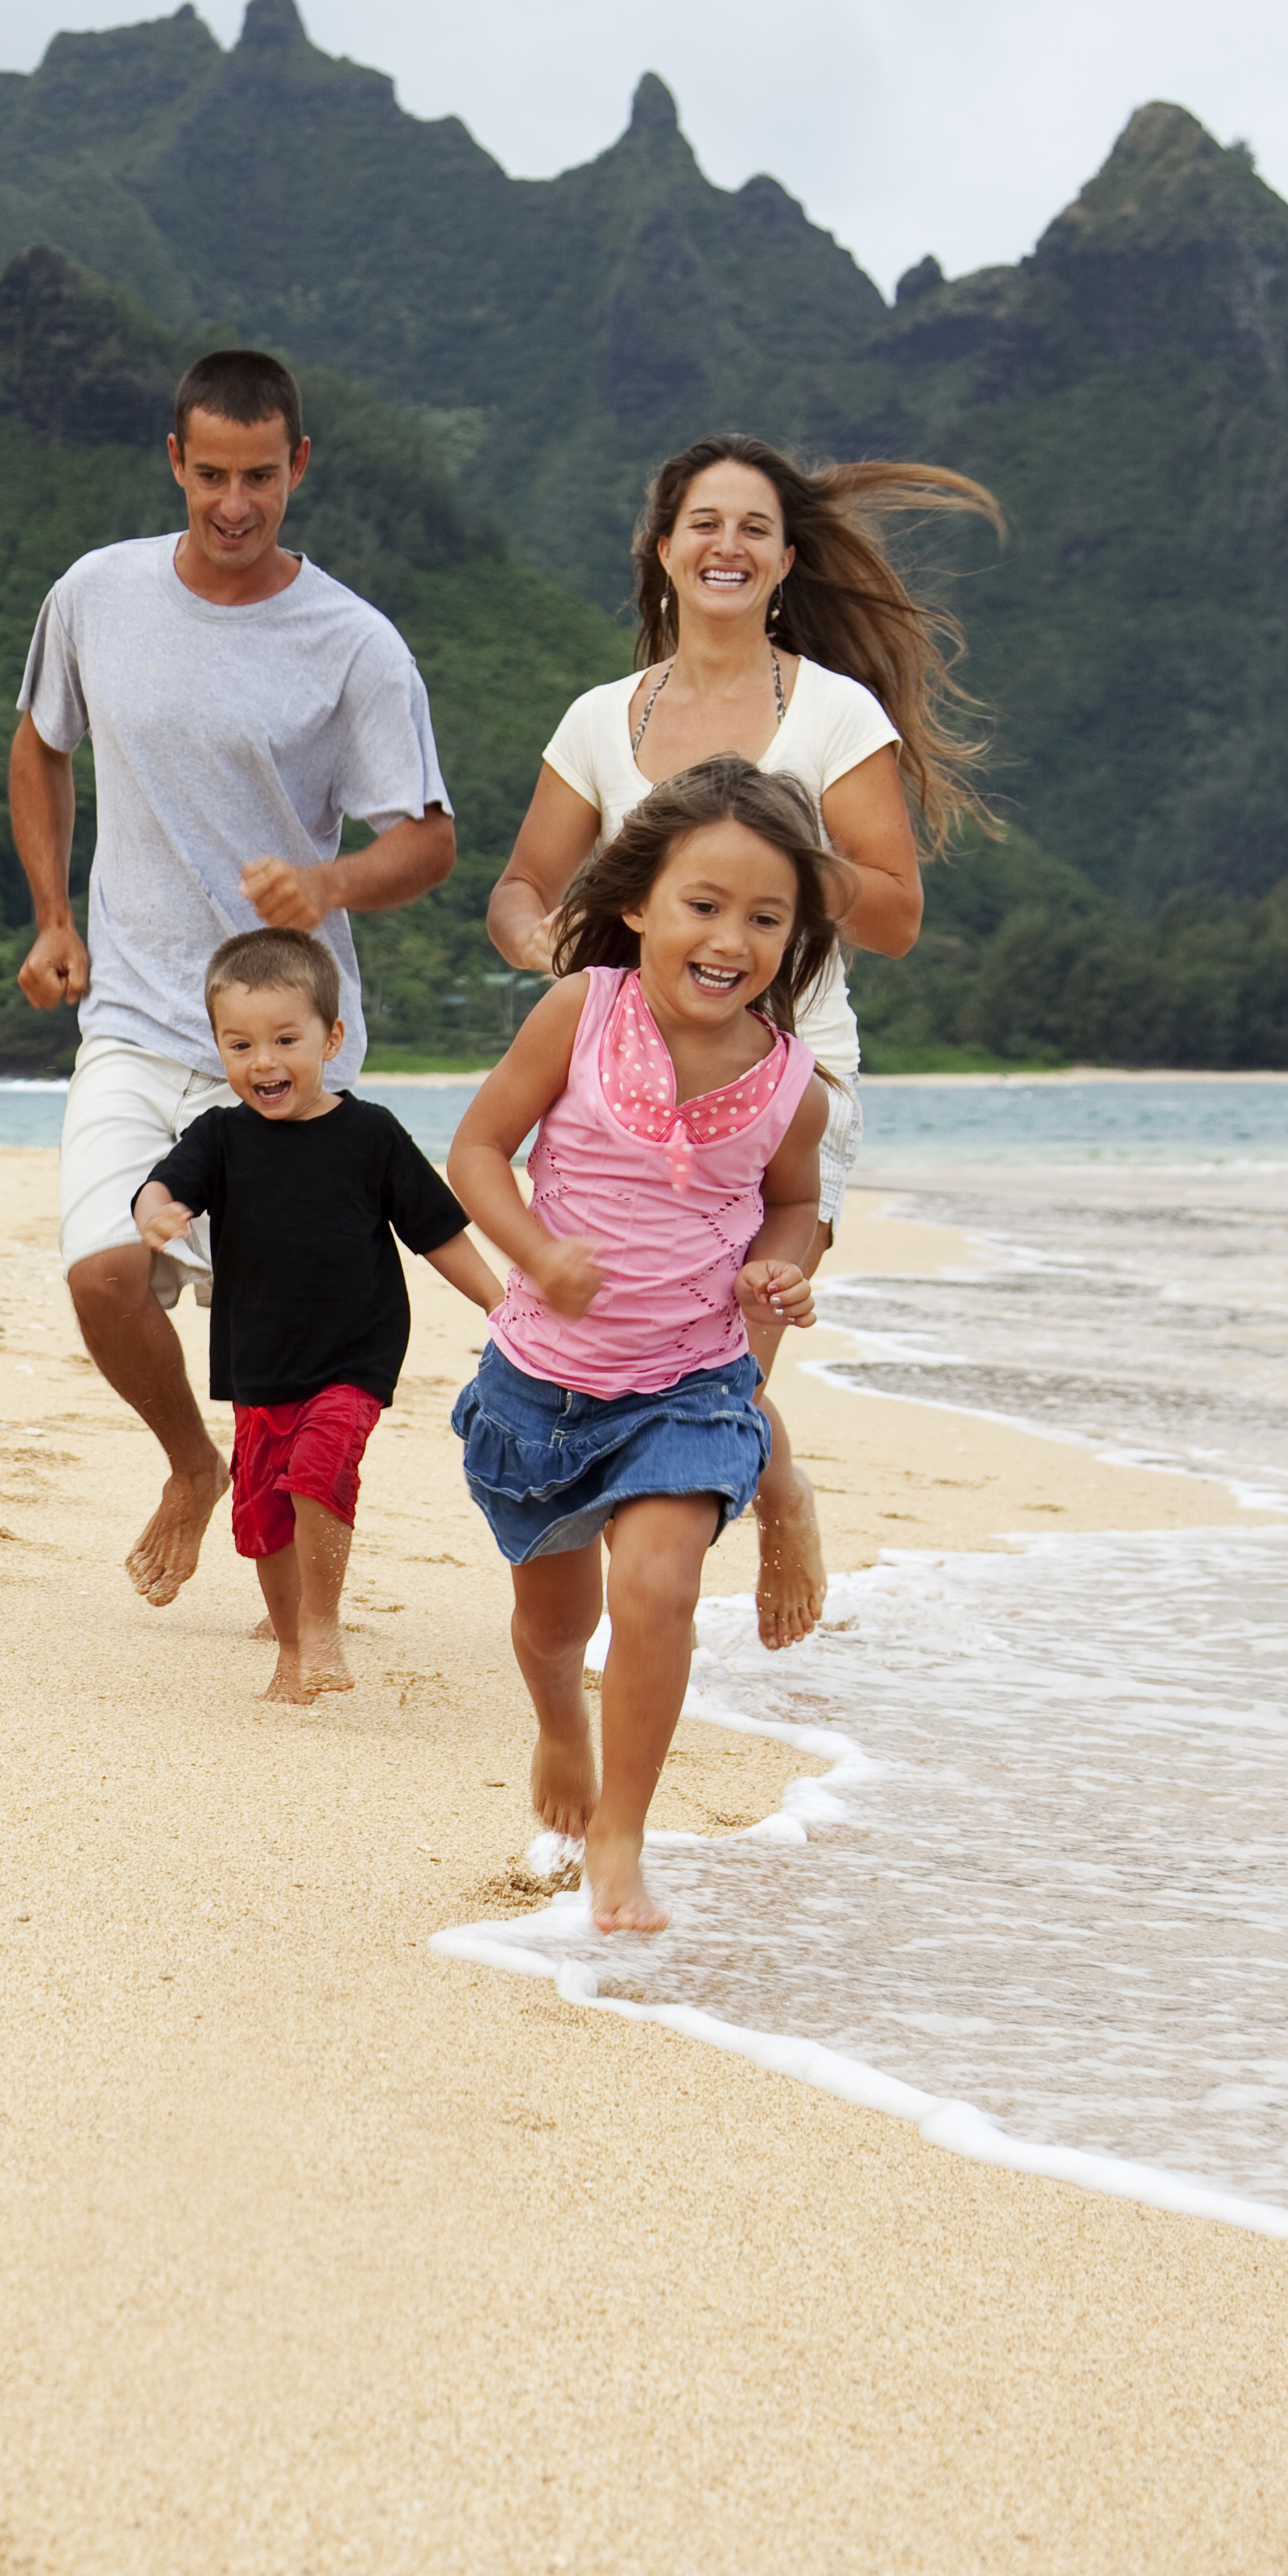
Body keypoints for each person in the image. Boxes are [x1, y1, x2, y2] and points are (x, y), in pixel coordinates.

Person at [478, 436, 997, 1652]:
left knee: (718, 1360)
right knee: (628, 1340)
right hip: (620, 1087)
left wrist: (744, 855)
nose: (727, 544)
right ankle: (734, 1504)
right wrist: (541, 939)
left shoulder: (831, 713)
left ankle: (716, 1543)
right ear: (662, 551)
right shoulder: (601, 719)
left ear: (785, 560)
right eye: (702, 523)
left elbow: (899, 912)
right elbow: (522, 883)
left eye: (754, 528)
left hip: (787, 1076)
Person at [12, 349, 457, 1609]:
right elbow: (41, 748)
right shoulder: (96, 595)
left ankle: (302, 1626)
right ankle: (189, 1468)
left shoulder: (353, 644)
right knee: (105, 1270)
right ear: (174, 462)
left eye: (260, 476)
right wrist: (54, 914)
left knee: (294, 1363)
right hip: (141, 1024)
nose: (234, 503)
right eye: (211, 475)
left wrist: (330, 886)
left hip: (288, 1048)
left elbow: (427, 842)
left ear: (299, 465)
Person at [446, 759, 833, 1935]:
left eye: (766, 918)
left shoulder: (791, 1086)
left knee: (658, 1587)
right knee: (551, 1627)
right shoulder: (580, 1012)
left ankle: (623, 1832)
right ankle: (562, 1720)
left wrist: (786, 1263)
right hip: (543, 1389)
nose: (730, 939)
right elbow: (474, 1155)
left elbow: (795, 1203)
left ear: (795, 935)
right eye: (703, 905)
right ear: (637, 907)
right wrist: (538, 1252)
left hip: (689, 1385)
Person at [132, 927, 503, 1704]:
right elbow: (163, 1186)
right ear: (220, 1049)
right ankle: (293, 1652)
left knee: (319, 1469)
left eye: (285, 1039)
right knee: (264, 1517)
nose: (263, 1062)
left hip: (354, 1354)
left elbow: (437, 1232)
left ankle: (324, 1622)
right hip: (260, 1364)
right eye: (240, 1045)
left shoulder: (371, 1136)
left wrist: (504, 1306)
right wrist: (157, 1210)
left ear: (332, 1038)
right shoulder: (221, 1138)